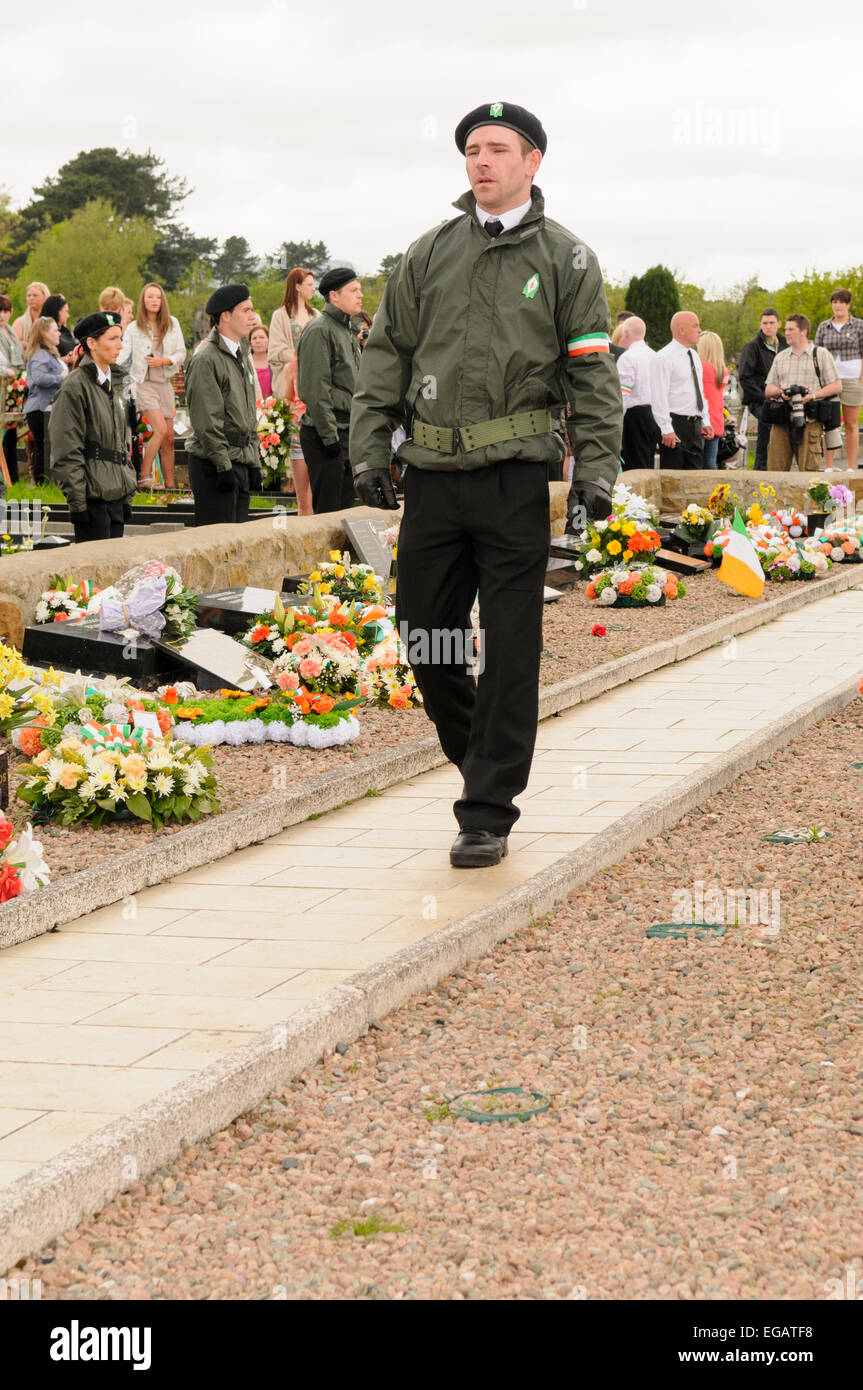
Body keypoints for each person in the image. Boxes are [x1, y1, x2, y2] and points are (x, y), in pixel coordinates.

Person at [350, 100, 621, 869]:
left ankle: (487, 810)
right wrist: (370, 451)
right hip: (432, 480)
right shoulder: (427, 251)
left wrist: (596, 470)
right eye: (471, 148)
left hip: (512, 482)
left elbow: (592, 376)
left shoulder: (566, 260)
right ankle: (481, 755)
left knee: (508, 648)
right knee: (423, 633)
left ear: (532, 162)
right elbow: (386, 358)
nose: (481, 161)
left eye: (497, 148)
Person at [49, 311, 137, 542]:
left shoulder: (115, 383)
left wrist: (127, 493)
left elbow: (120, 441)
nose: (120, 345)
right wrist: (78, 503)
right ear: (91, 343)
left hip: (116, 493)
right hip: (92, 497)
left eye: (121, 338)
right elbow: (66, 449)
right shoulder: (75, 387)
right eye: (112, 339)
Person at [184, 283, 261, 526]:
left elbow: (248, 413)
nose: (252, 316)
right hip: (215, 464)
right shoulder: (207, 359)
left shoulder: (241, 355)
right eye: (245, 310)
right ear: (226, 316)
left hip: (239, 459)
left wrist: (254, 462)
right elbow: (207, 421)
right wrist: (223, 465)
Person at [296, 266, 362, 513]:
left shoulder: (347, 329)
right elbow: (315, 390)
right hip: (327, 434)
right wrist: (330, 437)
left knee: (347, 514)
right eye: (353, 290)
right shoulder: (320, 330)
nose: (360, 295)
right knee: (329, 515)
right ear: (334, 296)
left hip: (347, 431)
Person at [122, 284, 186, 489]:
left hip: (165, 383)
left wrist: (165, 361)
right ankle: (144, 477)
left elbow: (181, 353)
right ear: (143, 300)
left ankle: (170, 484)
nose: (154, 300)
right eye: (150, 296)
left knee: (168, 438)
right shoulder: (134, 328)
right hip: (144, 384)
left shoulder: (172, 323)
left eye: (158, 297)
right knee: (158, 430)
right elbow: (123, 355)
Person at [764, 314, 841, 472]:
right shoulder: (781, 357)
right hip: (782, 422)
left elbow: (837, 386)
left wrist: (812, 396)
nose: (786, 333)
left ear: (803, 332)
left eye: (791, 329)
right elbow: (768, 389)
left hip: (810, 421)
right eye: (786, 329)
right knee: (774, 474)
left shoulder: (820, 354)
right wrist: (780, 392)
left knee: (809, 475)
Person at [651, 311, 713, 468]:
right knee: (673, 479)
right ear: (681, 330)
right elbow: (658, 397)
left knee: (694, 478)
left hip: (695, 425)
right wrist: (666, 429)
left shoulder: (694, 355)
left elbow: (698, 390)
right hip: (675, 424)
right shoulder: (663, 358)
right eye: (695, 326)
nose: (700, 330)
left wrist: (705, 419)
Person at [815, 289, 863, 470]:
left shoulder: (859, 325)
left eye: (841, 302)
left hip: (852, 380)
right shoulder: (824, 327)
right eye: (834, 302)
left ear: (848, 304)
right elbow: (817, 354)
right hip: (830, 382)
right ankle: (828, 466)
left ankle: (850, 467)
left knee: (851, 424)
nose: (837, 305)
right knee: (831, 423)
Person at [738, 308, 786, 471]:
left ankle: (776, 470)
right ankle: (761, 470)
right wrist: (764, 397)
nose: (768, 326)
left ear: (779, 324)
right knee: (768, 430)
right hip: (758, 399)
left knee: (781, 433)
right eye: (765, 323)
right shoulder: (752, 346)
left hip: (781, 397)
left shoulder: (785, 345)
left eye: (772, 323)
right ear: (760, 325)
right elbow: (745, 377)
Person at [24, 316, 67, 483]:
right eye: (55, 330)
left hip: (47, 408)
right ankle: (41, 482)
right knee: (44, 447)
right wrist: (61, 378)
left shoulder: (49, 354)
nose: (59, 333)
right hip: (40, 409)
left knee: (47, 447)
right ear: (44, 333)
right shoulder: (40, 355)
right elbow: (39, 378)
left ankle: (45, 482)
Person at [268, 267, 320, 399]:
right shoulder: (280, 316)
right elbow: (275, 351)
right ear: (297, 287)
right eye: (309, 285)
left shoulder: (316, 315)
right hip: (289, 383)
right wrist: (303, 357)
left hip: (315, 380)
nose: (313, 288)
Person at [617, 315, 659, 470]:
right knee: (648, 460)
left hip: (635, 416)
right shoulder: (655, 356)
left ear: (626, 334)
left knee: (634, 464)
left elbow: (622, 394)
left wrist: (617, 419)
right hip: (653, 413)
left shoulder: (628, 357)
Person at [0, 294, 25, 482]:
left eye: (5, 311)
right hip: (4, 385)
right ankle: (7, 476)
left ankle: (13, 476)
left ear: (11, 312)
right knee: (4, 431)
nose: (2, 315)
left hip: (15, 386)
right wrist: (7, 372)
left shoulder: (11, 332)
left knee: (11, 433)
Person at [696, 330, 729, 470]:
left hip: (703, 420)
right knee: (711, 463)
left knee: (697, 462)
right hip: (716, 420)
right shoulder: (724, 371)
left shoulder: (701, 367)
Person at [40, 294, 77, 361]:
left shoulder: (64, 330)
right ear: (57, 312)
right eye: (66, 311)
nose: (68, 316)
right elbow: (44, 361)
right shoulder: (43, 333)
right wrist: (66, 359)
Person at [249, 324, 272, 400]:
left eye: (262, 337)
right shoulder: (246, 363)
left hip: (275, 408)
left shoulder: (275, 362)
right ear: (250, 342)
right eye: (254, 338)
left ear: (268, 340)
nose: (258, 341)